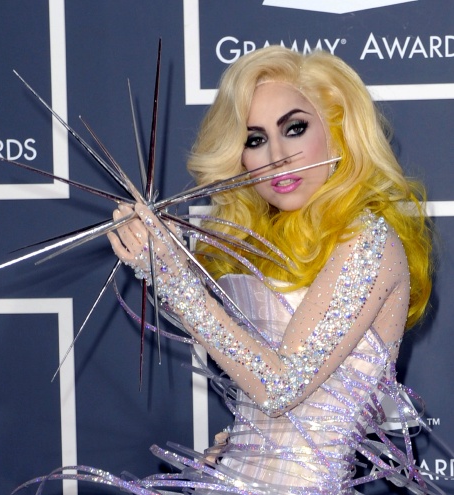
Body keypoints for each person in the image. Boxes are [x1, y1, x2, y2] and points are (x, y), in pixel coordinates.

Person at [105, 45, 435, 494]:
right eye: (254, 139)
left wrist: (172, 279)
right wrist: (248, 447)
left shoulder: (368, 241)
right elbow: (283, 399)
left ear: (337, 131)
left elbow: (280, 386)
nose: (277, 156)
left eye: (294, 129)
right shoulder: (266, 243)